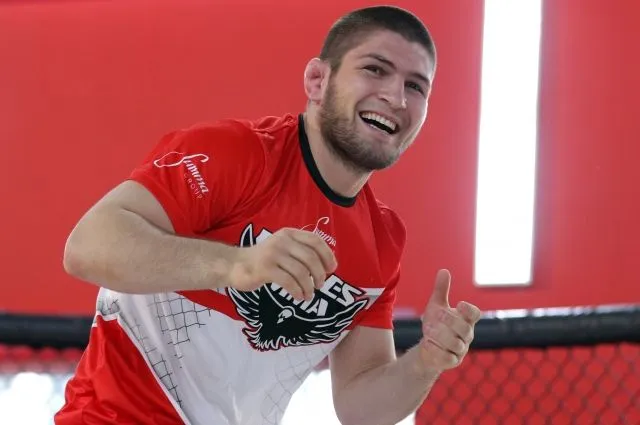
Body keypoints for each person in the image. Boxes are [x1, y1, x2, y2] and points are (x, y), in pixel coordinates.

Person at [55, 5, 481, 425]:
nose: (396, 97)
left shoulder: (383, 241)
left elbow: (360, 409)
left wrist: (424, 362)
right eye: (375, 69)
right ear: (317, 80)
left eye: (416, 86)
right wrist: (235, 264)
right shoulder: (237, 154)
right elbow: (87, 248)